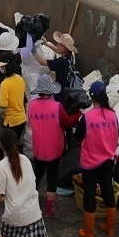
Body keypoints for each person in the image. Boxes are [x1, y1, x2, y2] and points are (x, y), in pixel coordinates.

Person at [27, 73, 77, 218]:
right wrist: (77, 114)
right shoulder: (57, 106)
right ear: (50, 91)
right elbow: (66, 123)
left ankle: (30, 203)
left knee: (37, 174)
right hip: (54, 150)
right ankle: (49, 210)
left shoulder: (32, 105)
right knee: (52, 178)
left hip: (38, 148)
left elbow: (31, 122)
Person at [77, 81, 119, 237]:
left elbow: (78, 137)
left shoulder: (87, 117)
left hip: (90, 162)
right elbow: (116, 135)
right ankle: (110, 228)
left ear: (91, 97)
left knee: (89, 193)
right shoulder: (113, 114)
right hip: (108, 159)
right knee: (107, 189)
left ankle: (89, 233)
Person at [0, 55, 28, 141]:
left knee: (9, 148)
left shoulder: (5, 84)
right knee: (18, 146)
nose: (0, 68)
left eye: (2, 66)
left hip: (11, 122)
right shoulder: (19, 78)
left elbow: (3, 107)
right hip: (22, 119)